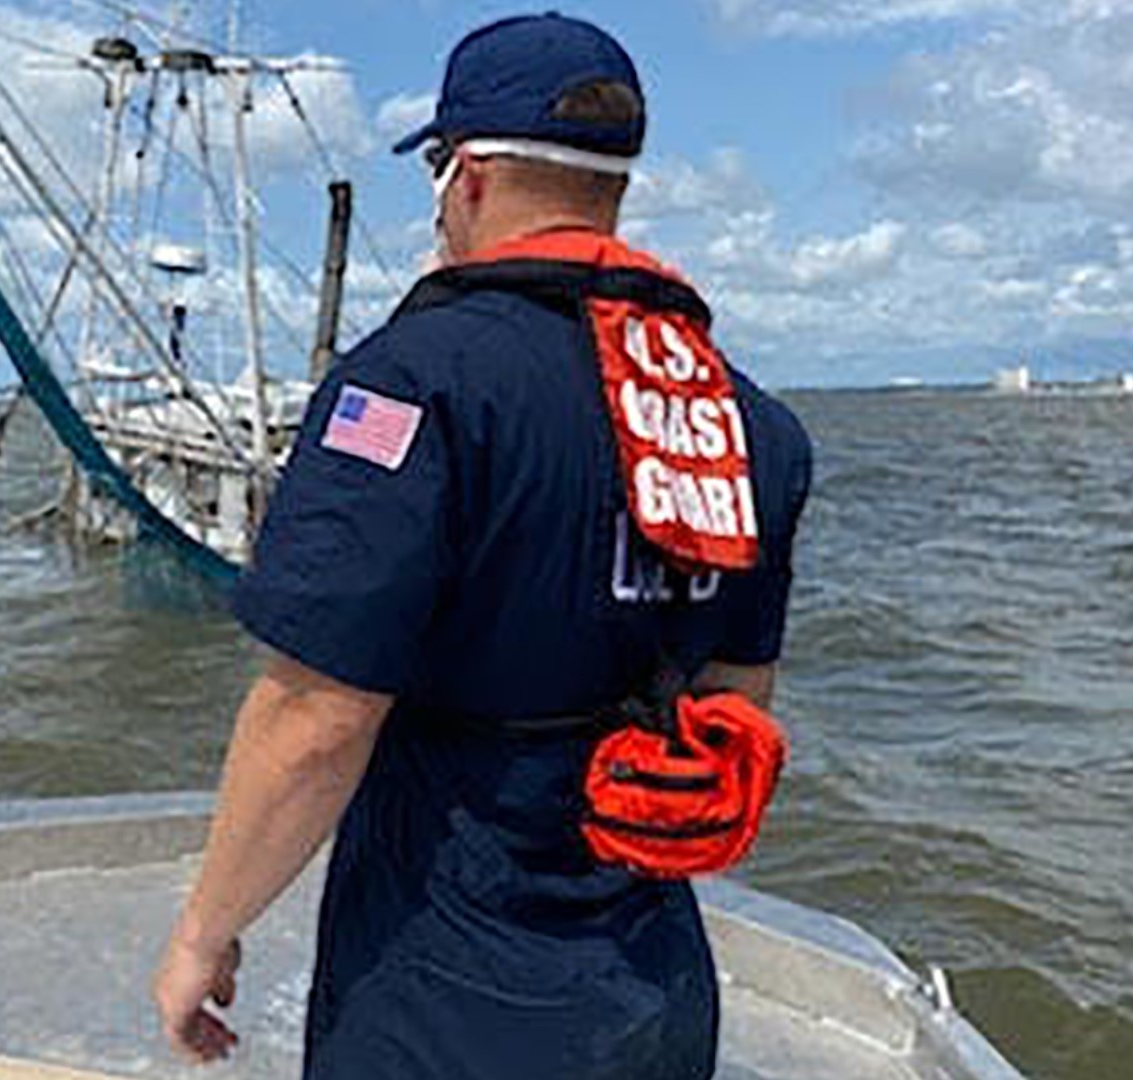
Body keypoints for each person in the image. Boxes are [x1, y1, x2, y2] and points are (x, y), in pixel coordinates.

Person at [152, 13, 814, 1080]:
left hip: (449, 986)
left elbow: (316, 717)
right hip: (653, 986)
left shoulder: (411, 385)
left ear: (462, 177)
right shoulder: (752, 425)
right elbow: (738, 707)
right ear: (615, 187)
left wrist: (202, 933)